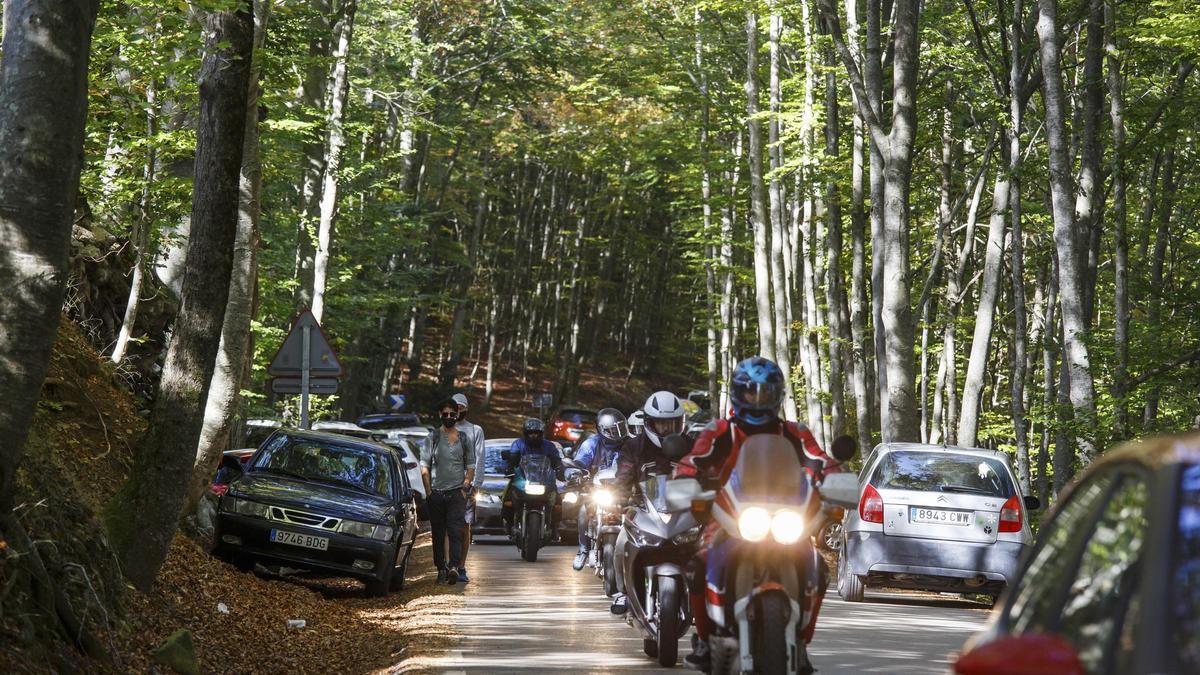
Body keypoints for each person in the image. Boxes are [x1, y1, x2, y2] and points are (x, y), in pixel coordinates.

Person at [673, 356, 839, 672]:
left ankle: (801, 643)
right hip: (730, 517)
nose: (759, 400)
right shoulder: (720, 430)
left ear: (778, 395)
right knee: (697, 565)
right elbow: (693, 460)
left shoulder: (794, 432)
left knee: (819, 569)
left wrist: (836, 481)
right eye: (752, 393)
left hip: (788, 516)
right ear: (738, 393)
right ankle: (706, 641)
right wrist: (684, 482)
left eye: (766, 393)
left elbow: (820, 460)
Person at [609, 391, 689, 614]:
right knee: (621, 543)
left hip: (684, 511)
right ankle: (622, 593)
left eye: (672, 423)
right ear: (649, 423)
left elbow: (706, 472)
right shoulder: (634, 447)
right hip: (644, 509)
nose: (666, 429)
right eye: (661, 424)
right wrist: (617, 496)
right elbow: (623, 475)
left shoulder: (691, 445)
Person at [420, 399, 477, 585]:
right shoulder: (433, 438)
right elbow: (425, 466)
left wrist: (465, 486)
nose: (449, 417)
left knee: (456, 531)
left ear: (457, 414)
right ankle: (440, 568)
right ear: (439, 415)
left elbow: (470, 465)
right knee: (438, 533)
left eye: (452, 414)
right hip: (436, 493)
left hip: (456, 493)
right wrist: (428, 491)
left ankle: (454, 566)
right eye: (445, 414)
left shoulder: (463, 438)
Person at [570, 408, 628, 571]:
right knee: (583, 511)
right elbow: (580, 463)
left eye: (620, 428)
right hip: (596, 489)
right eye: (612, 430)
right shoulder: (591, 443)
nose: (618, 433)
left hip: (622, 489)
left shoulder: (629, 444)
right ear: (602, 430)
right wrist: (577, 473)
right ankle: (583, 550)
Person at [501, 418, 564, 531]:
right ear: (525, 433)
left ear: (541, 434)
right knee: (508, 498)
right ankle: (509, 523)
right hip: (523, 479)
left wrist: (560, 470)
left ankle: (554, 527)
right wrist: (509, 468)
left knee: (557, 501)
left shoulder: (549, 446)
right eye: (530, 433)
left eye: (536, 433)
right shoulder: (518, 444)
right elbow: (513, 458)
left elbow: (557, 461)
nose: (533, 436)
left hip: (544, 479)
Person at [451, 393, 486, 584]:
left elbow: (480, 458)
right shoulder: (444, 430)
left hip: (468, 486)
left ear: (466, 408)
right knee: (448, 526)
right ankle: (449, 566)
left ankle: (461, 566)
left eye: (461, 407)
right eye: (455, 407)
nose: (458, 410)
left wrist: (476, 484)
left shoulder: (475, 431)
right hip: (447, 485)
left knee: (465, 527)